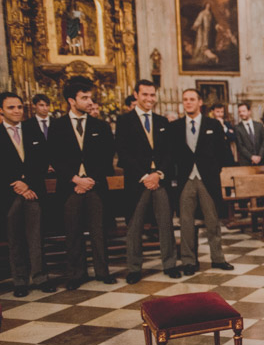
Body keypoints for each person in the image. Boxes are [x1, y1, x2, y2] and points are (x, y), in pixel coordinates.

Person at [48, 77, 116, 290]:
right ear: (71, 100)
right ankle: (77, 273)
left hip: (95, 185)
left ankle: (102, 271)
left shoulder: (101, 126)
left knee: (99, 230)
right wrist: (76, 179)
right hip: (71, 187)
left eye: (90, 97)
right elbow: (54, 157)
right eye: (84, 98)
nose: (89, 101)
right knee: (73, 231)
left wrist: (89, 180)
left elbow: (107, 157)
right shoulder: (57, 126)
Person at [115, 80, 180, 284]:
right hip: (138, 182)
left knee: (166, 224)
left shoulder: (162, 122)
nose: (149, 99)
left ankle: (169, 264)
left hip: (159, 180)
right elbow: (123, 155)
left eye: (152, 95)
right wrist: (144, 177)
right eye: (145, 94)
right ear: (136, 95)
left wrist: (159, 174)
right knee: (135, 226)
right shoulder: (124, 121)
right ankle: (134, 267)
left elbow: (170, 153)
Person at [171, 89, 234, 276]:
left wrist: (212, 170)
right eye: (185, 100)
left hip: (207, 179)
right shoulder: (176, 126)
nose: (188, 103)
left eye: (192, 99)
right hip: (186, 180)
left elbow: (223, 153)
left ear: (200, 102)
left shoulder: (213, 124)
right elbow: (171, 154)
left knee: (212, 220)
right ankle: (189, 261)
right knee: (186, 222)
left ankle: (218, 258)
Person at [1, 92, 54, 296]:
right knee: (15, 239)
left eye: (20, 107)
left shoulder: (33, 130)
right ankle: (20, 280)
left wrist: (28, 183)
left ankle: (41, 277)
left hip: (33, 192)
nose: (16, 111)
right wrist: (15, 184)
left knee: (36, 236)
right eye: (11, 107)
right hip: (9, 194)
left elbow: (42, 160)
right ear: (1, 111)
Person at [234, 101, 264, 166]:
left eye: (243, 111)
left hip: (261, 161)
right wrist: (251, 157)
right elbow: (240, 146)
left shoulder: (259, 125)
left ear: (249, 111)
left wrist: (259, 156)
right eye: (239, 112)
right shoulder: (237, 128)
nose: (241, 113)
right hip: (245, 162)